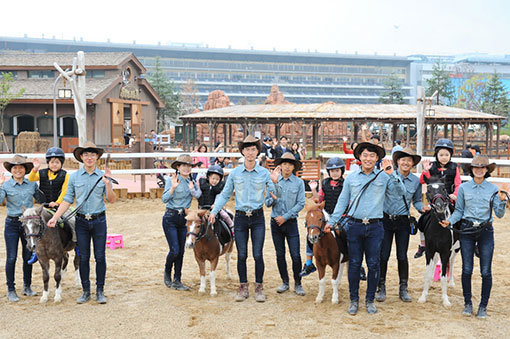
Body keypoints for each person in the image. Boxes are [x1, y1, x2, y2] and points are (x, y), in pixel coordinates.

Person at [325, 141, 405, 315]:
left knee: (374, 264)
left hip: (376, 226)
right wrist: (331, 222)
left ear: (377, 158)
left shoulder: (384, 176)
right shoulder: (351, 178)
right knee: (354, 263)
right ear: (359, 157)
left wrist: (392, 173)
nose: (368, 158)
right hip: (354, 226)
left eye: (372, 155)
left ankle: (370, 300)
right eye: (365, 155)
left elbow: (401, 192)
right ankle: (354, 300)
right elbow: (342, 201)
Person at [209, 135, 276, 302]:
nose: (250, 152)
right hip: (240, 217)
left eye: (253, 149)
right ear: (242, 152)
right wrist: (214, 211)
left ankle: (259, 286)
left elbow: (272, 197)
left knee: (258, 254)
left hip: (258, 216)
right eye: (247, 149)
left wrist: (274, 189)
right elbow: (225, 195)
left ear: (258, 152)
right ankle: (243, 286)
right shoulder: (235, 173)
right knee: (241, 254)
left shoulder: (264, 173)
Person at [439, 155, 507, 319]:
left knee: (485, 272)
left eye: (482, 167)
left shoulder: (493, 189)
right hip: (467, 229)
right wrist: (450, 221)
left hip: (485, 231)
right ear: (471, 170)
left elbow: (499, 214)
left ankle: (483, 306)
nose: (479, 170)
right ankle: (468, 303)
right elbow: (460, 211)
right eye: (476, 167)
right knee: (467, 269)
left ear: (486, 170)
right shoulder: (463, 188)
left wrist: (502, 200)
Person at [47, 142, 116, 304]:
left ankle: (100, 290)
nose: (89, 157)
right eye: (86, 155)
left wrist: (108, 185)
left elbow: (111, 200)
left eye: (92, 154)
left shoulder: (104, 176)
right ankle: (86, 291)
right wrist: (55, 217)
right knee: (83, 256)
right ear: (81, 158)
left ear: (97, 157)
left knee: (100, 256)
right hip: (81, 221)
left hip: (99, 220)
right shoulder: (74, 177)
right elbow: (67, 200)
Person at [376, 147, 429, 304]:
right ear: (397, 161)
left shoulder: (415, 181)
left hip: (403, 221)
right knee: (383, 254)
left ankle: (403, 288)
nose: (406, 162)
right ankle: (381, 286)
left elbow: (417, 200)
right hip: (385, 219)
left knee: (402, 255)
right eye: (403, 159)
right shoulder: (386, 175)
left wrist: (421, 208)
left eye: (409, 160)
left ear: (413, 163)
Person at [265, 152, 306, 296]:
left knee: (295, 254)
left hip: (290, 222)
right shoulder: (273, 181)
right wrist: (274, 193)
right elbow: (268, 202)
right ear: (280, 166)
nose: (287, 167)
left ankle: (298, 283)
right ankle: (285, 281)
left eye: (289, 164)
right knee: (280, 254)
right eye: (284, 164)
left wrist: (285, 216)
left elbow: (301, 203)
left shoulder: (299, 183)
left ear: (294, 167)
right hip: (276, 222)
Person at [0, 155, 39, 302]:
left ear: (25, 170)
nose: (18, 170)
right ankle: (11, 289)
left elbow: (41, 199)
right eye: (15, 168)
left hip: (28, 224)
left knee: (28, 256)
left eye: (21, 168)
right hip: (12, 223)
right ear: (11, 170)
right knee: (11, 257)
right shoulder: (6, 185)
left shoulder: (31, 185)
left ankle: (27, 286)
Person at [415, 138, 461, 258]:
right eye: (441, 154)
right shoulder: (432, 166)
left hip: (449, 200)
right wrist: (425, 170)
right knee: (422, 218)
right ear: (437, 155)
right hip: (435, 201)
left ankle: (459, 241)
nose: (444, 157)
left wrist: (455, 194)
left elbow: (458, 183)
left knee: (462, 218)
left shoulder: (454, 167)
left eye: (447, 154)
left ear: (451, 155)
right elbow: (423, 180)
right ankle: (423, 243)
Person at [161, 154, 200, 291]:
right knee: (175, 250)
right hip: (171, 217)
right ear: (178, 167)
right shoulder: (171, 180)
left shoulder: (192, 182)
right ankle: (167, 271)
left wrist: (192, 190)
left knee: (181, 251)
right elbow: (164, 199)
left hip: (184, 218)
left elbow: (199, 195)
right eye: (183, 165)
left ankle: (177, 279)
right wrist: (172, 188)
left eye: (189, 166)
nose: (186, 168)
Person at [27, 147, 73, 265]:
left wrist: (57, 202)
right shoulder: (42, 173)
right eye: (52, 162)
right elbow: (31, 178)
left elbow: (65, 191)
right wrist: (35, 169)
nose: (54, 165)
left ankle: (75, 243)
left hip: (59, 206)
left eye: (57, 162)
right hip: (44, 206)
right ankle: (35, 251)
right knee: (34, 225)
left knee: (72, 221)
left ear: (61, 163)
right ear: (48, 163)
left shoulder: (65, 175)